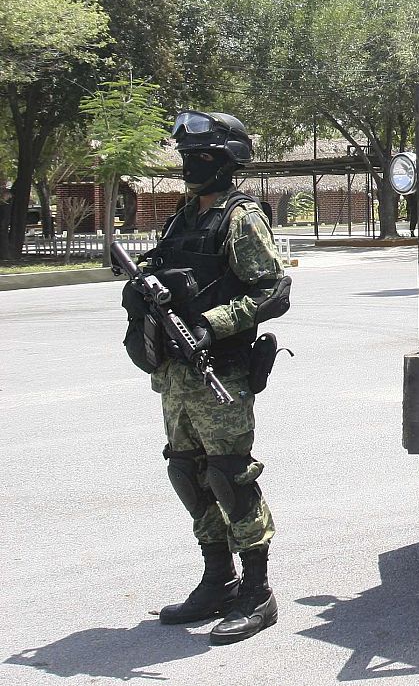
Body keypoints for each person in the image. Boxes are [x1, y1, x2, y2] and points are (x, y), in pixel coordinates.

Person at [121, 110, 284, 643]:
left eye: (203, 156)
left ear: (228, 161)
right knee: (187, 473)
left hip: (221, 371)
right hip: (175, 376)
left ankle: (257, 593)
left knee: (229, 476)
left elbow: (271, 292)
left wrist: (211, 326)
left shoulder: (241, 218)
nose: (191, 165)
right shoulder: (185, 216)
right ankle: (217, 579)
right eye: (187, 155)